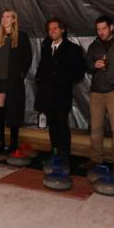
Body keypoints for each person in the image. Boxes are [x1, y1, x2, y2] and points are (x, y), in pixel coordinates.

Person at [85, 15, 114, 175]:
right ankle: (95, 158)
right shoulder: (94, 45)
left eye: (104, 28)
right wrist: (93, 65)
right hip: (96, 91)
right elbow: (87, 65)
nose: (101, 32)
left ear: (111, 27)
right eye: (98, 29)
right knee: (96, 128)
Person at [35, 17, 85, 157]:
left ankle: (65, 153)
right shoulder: (46, 46)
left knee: (61, 122)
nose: (52, 31)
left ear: (62, 30)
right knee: (52, 123)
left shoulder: (73, 49)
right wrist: (39, 78)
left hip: (62, 93)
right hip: (47, 92)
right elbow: (41, 66)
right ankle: (55, 150)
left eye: (55, 28)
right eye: (50, 29)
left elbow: (79, 72)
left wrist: (63, 79)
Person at [0, 10, 32, 154]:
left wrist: (20, 74)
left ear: (14, 20)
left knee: (13, 112)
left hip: (13, 81)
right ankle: (1, 143)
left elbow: (27, 57)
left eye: (8, 17)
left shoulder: (22, 36)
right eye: (3, 16)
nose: (5, 19)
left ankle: (13, 144)